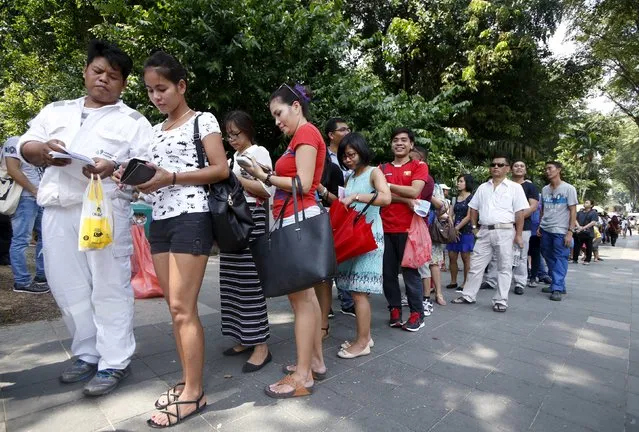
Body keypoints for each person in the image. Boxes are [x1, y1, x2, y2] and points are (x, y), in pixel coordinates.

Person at [17, 40, 153, 395]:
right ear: (85, 71)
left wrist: (115, 167)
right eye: (98, 71)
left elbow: (146, 168)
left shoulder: (133, 122)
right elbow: (26, 146)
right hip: (58, 207)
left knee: (109, 285)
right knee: (67, 285)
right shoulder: (56, 110)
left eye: (113, 76)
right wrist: (44, 152)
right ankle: (86, 353)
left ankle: (113, 361)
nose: (103, 80)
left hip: (105, 209)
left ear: (123, 84)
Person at [129, 51, 228, 427]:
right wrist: (135, 180)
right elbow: (153, 184)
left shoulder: (203, 120)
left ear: (181, 86)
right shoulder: (154, 131)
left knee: (184, 307)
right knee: (173, 307)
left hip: (193, 217)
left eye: (163, 88)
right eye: (151, 90)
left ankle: (195, 393)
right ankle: (188, 380)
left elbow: (219, 169)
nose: (157, 96)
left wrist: (170, 177)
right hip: (162, 219)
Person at [244, 83, 326, 398]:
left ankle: (304, 375)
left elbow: (303, 183)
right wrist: (267, 172)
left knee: (301, 301)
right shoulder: (301, 137)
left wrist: (263, 176)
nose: (277, 121)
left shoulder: (305, 134)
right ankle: (314, 362)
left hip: (297, 219)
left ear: (296, 106)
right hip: (297, 219)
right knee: (307, 299)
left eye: (279, 113)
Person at [219, 110, 272, 372]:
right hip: (233, 221)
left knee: (251, 281)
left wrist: (236, 180)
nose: (232, 139)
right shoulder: (232, 158)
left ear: (248, 131)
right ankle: (243, 336)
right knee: (233, 281)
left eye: (236, 134)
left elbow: (267, 189)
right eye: (228, 135)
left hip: (253, 218)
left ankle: (261, 344)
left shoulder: (259, 153)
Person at [334, 133, 391, 358]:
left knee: (359, 292)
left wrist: (356, 196)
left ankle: (362, 342)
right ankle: (365, 335)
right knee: (354, 289)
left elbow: (386, 198)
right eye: (344, 156)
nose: (348, 160)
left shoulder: (374, 172)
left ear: (361, 151)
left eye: (351, 155)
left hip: (369, 237)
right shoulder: (350, 177)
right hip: (353, 237)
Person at [451, 155, 528, 312]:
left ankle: (501, 300)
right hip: (484, 230)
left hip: (505, 230)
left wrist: (518, 235)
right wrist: (474, 227)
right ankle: (468, 295)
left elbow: (519, 213)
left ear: (507, 168)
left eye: (500, 165)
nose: (496, 167)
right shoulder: (482, 188)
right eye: (493, 164)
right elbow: (473, 208)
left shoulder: (515, 188)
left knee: (504, 267)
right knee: (476, 265)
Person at [379, 128, 429, 331]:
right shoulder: (381, 168)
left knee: (410, 272)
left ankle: (417, 313)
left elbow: (415, 191)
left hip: (409, 229)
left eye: (403, 140)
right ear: (391, 144)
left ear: (411, 144)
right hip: (384, 227)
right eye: (395, 140)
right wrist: (404, 198)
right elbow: (382, 195)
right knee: (388, 273)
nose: (399, 143)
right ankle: (395, 310)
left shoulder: (419, 166)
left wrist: (387, 186)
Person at [3, 136, 48, 293]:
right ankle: (21, 281)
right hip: (24, 198)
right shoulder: (16, 141)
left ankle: (42, 275)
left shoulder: (41, 144)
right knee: (21, 239)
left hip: (39, 197)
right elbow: (12, 169)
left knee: (46, 236)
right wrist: (33, 190)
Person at [320, 118, 355, 319]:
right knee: (326, 257)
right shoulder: (324, 158)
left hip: (348, 210)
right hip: (328, 211)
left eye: (349, 128)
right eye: (343, 129)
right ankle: (328, 303)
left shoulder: (351, 157)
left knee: (344, 254)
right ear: (331, 135)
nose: (347, 131)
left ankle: (347, 299)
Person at [538, 161, 578, 301]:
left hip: (561, 230)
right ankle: (559, 283)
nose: (547, 171)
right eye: (546, 169)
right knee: (548, 255)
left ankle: (556, 288)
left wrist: (570, 231)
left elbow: (573, 211)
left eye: (550, 168)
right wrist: (540, 226)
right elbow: (543, 210)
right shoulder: (544, 189)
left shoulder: (569, 188)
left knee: (560, 258)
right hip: (546, 229)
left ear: (559, 170)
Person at [446, 174, 475, 291]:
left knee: (465, 257)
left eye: (461, 181)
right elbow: (450, 214)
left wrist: (457, 228)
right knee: (452, 256)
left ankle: (465, 283)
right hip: (454, 229)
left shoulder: (472, 198)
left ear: (467, 183)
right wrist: (452, 227)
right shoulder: (454, 198)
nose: (458, 183)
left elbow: (469, 216)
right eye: (458, 181)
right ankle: (453, 281)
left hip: (466, 230)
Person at [573, 199, 598, 265]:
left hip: (588, 233)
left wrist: (583, 228)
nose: (585, 203)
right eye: (585, 202)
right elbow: (574, 219)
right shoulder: (580, 212)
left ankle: (587, 260)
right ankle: (575, 259)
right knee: (577, 246)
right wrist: (578, 227)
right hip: (578, 232)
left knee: (588, 247)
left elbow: (593, 222)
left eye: (587, 203)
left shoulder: (593, 213)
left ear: (591, 205)